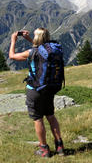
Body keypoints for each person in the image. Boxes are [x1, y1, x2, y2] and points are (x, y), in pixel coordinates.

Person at [9, 28, 64, 157]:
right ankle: (60, 146)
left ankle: (44, 149)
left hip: (35, 90)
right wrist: (28, 38)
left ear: (38, 38)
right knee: (50, 116)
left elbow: (12, 56)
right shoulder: (51, 50)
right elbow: (40, 48)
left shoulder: (31, 52)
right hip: (49, 88)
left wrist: (13, 40)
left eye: (34, 36)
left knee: (38, 119)